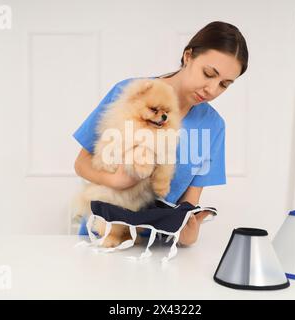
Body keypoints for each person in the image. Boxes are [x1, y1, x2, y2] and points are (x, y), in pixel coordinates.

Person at [73, 21, 249, 246]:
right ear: (188, 56)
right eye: (208, 74)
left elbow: (189, 204)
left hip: (156, 249)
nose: (212, 89)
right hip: (103, 238)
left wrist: (189, 232)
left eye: (224, 84)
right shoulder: (131, 93)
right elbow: (81, 164)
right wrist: (116, 180)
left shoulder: (213, 126)